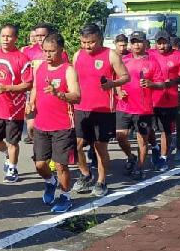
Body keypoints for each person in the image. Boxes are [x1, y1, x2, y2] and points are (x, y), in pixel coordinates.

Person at [71, 24, 129, 196]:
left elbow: (126, 77)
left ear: (100, 39)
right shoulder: (77, 55)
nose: (87, 46)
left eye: (91, 42)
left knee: (99, 147)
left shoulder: (110, 55)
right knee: (75, 145)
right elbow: (72, 79)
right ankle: (85, 174)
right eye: (83, 42)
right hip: (80, 108)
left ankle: (101, 181)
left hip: (104, 110)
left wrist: (113, 83)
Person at [27, 33, 81, 213]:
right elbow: (35, 87)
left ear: (61, 50)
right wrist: (31, 102)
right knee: (40, 165)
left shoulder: (68, 70)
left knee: (60, 165)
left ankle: (65, 197)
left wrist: (59, 94)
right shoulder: (40, 67)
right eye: (45, 51)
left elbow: (77, 96)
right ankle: (50, 182)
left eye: (52, 51)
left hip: (63, 126)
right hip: (41, 125)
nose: (47, 55)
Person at [0, 24, 33, 182]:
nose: (5, 39)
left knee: (13, 141)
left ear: (15, 38)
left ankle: (12, 168)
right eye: (3, 36)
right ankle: (7, 153)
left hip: (15, 109)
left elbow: (28, 84)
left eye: (9, 36)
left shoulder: (22, 58)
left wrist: (7, 88)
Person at [115, 31, 165, 180]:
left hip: (143, 109)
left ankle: (140, 167)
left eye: (139, 41)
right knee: (120, 136)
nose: (136, 45)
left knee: (142, 140)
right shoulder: (124, 60)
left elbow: (162, 84)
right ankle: (131, 157)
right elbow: (116, 80)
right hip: (124, 106)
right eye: (133, 42)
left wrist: (151, 84)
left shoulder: (152, 62)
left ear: (145, 43)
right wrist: (119, 90)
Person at [21, 23, 69, 144]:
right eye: (37, 35)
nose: (39, 38)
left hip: (53, 93)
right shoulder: (27, 51)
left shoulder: (60, 52)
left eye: (43, 35)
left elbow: (64, 73)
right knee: (31, 127)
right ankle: (41, 149)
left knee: (49, 129)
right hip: (33, 91)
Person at [150, 31, 180, 172]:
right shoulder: (149, 54)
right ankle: (155, 147)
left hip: (170, 99)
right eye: (159, 43)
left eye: (164, 43)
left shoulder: (178, 55)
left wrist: (173, 81)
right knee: (148, 129)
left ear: (169, 42)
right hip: (150, 99)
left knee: (166, 130)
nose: (162, 46)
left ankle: (164, 157)